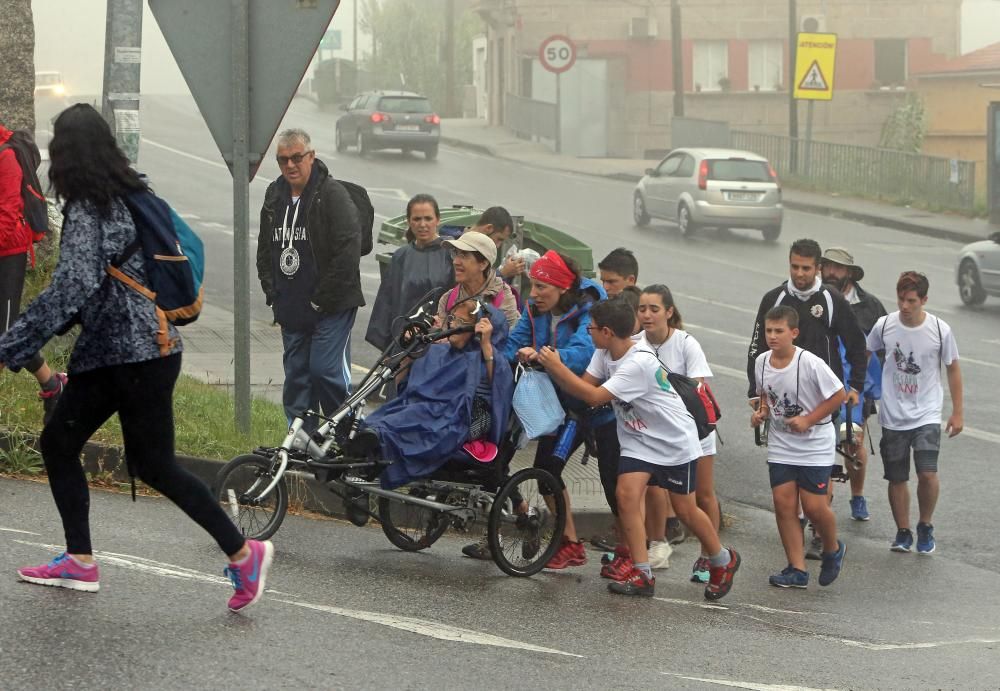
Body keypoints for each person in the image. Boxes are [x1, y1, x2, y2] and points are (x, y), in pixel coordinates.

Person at [0, 103, 272, 611]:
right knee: (136, 460)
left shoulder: (90, 207)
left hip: (125, 355)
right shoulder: (131, 194)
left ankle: (238, 553)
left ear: (66, 153)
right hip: (146, 350)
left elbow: (71, 287)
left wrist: (12, 344)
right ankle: (232, 554)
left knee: (91, 449)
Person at [538, 299, 740, 599]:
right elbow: (584, 384)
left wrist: (555, 365)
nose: (588, 332)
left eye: (591, 328)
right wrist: (550, 367)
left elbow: (594, 397)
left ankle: (723, 559)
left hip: (673, 441)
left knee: (685, 508)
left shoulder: (638, 363)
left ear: (607, 331)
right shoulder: (604, 352)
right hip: (637, 439)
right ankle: (642, 573)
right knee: (626, 496)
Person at [747, 238, 866, 558]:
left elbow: (856, 342)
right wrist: (755, 398)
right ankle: (795, 530)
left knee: (822, 467)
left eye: (806, 268)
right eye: (795, 267)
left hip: (825, 394)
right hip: (784, 396)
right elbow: (757, 347)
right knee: (787, 475)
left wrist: (854, 385)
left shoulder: (830, 299)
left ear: (818, 269)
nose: (800, 274)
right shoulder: (774, 298)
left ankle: (818, 529)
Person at [495, 250, 611, 569]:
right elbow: (510, 345)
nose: (534, 295)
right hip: (553, 403)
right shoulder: (536, 310)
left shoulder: (590, 310)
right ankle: (570, 543)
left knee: (610, 486)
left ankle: (623, 550)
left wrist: (542, 356)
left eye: (542, 288)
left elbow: (583, 354)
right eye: (532, 286)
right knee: (546, 474)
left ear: (562, 288)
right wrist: (491, 358)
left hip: (583, 407)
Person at [256, 128, 363, 430]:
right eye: (282, 160)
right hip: (291, 307)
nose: (290, 165)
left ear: (311, 157)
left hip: (331, 306)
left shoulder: (331, 194)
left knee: (325, 370)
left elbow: (348, 251)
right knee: (297, 377)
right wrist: (271, 290)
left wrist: (321, 300)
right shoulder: (274, 195)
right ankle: (301, 443)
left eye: (296, 158)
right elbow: (265, 247)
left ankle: (347, 435)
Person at [361, 298, 513, 489]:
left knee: (407, 424)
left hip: (455, 419)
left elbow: (499, 390)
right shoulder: (439, 351)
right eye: (452, 319)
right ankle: (366, 447)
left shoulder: (491, 360)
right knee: (387, 418)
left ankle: (374, 446)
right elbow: (404, 386)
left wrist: (486, 344)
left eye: (460, 322)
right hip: (425, 409)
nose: (452, 325)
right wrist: (410, 350)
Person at [865, 271, 962, 555]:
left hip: (927, 413)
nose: (904, 307)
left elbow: (953, 368)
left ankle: (925, 524)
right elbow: (865, 353)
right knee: (897, 477)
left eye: (911, 301)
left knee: (928, 473)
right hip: (893, 413)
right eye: (900, 299)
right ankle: (903, 531)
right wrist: (861, 387)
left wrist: (958, 412)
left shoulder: (939, 330)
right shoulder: (884, 326)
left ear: (924, 300)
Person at [751, 306, 847, 589]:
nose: (772, 336)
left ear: (794, 333)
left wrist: (808, 419)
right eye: (769, 331)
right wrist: (761, 412)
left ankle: (832, 549)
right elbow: (765, 395)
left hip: (814, 442)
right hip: (782, 442)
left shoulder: (810, 363)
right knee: (783, 505)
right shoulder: (762, 362)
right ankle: (797, 568)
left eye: (779, 331)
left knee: (815, 507)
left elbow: (838, 395)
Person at [638, 285, 721, 584]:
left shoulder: (686, 344)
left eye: (654, 309)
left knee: (703, 495)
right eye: (642, 309)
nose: (647, 315)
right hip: (657, 434)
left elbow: (697, 389)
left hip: (693, 431)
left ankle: (711, 555)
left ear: (669, 312)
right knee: (652, 488)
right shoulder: (637, 343)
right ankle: (656, 545)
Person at [0, 121, 66, 423]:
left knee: (6, 332)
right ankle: (52, 383)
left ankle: (53, 385)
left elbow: (9, 211)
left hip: (8, 252)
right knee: (9, 333)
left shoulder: (6, 156)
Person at [820, 247, 888, 522]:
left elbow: (883, 346)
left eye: (838, 268)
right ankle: (824, 498)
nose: (832, 272)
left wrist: (869, 385)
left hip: (857, 385)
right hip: (821, 383)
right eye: (828, 266)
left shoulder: (870, 306)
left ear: (849, 273)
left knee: (852, 440)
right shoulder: (815, 298)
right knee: (822, 443)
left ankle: (857, 495)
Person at [366, 193, 453, 351]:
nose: (422, 224)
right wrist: (387, 350)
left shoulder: (451, 253)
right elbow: (386, 302)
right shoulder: (401, 256)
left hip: (438, 342)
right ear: (409, 221)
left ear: (438, 220)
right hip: (403, 341)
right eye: (417, 219)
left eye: (428, 218)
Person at [435, 230, 520, 329]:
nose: (455, 262)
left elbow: (507, 341)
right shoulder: (448, 299)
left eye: (464, 255)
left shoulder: (503, 298)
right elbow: (441, 338)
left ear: (483, 264)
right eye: (455, 254)